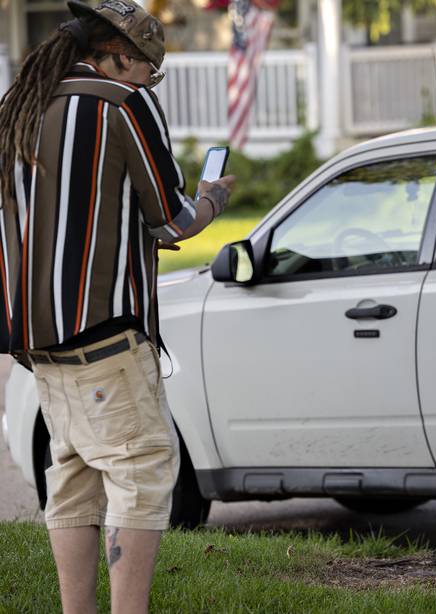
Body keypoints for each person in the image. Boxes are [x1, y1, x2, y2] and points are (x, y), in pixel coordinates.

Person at [0, 2, 234, 613]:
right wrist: (211, 199)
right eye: (148, 70)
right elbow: (170, 219)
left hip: (39, 341)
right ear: (120, 55)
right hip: (106, 332)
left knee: (73, 481)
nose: (147, 82)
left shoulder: (18, 107)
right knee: (144, 474)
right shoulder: (120, 105)